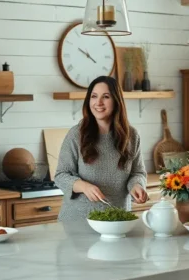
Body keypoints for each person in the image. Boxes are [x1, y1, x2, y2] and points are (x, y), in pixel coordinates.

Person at [54, 76, 148, 221]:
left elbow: (137, 172)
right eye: (94, 96)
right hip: (78, 221)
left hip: (117, 220)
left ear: (116, 101)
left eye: (106, 97)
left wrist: (136, 186)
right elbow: (61, 175)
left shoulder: (132, 136)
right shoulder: (76, 134)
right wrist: (83, 186)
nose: (98, 102)